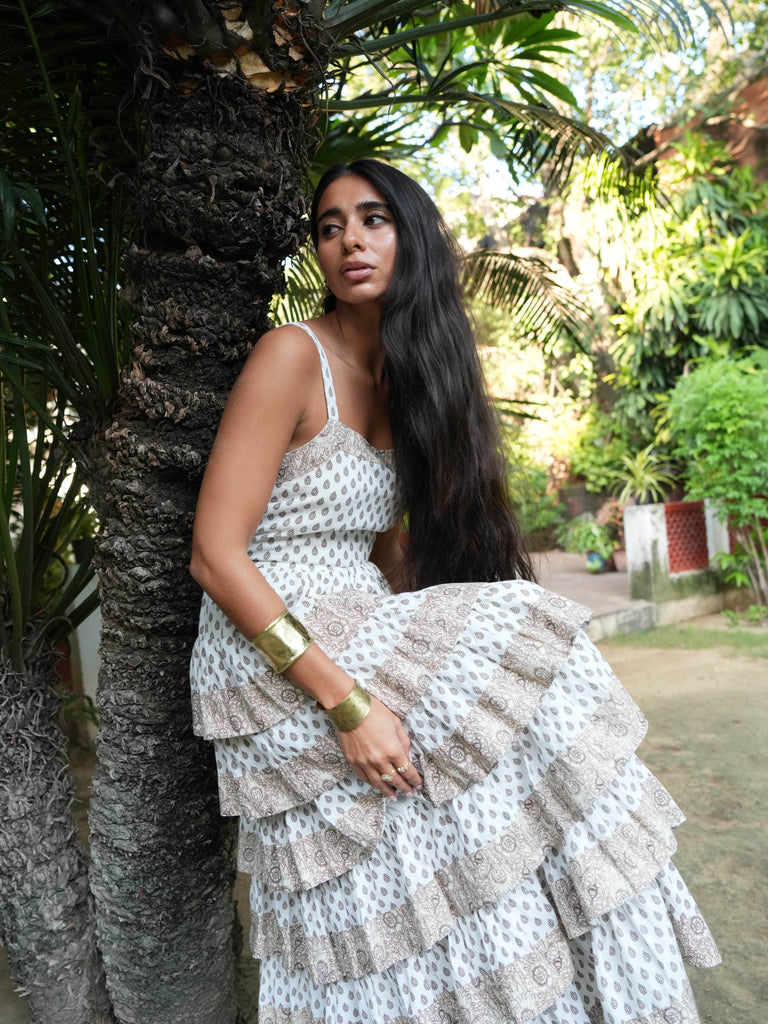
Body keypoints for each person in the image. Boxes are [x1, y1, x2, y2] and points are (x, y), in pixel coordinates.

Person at [189, 159, 719, 1024]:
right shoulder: (292, 355)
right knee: (537, 636)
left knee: (471, 824)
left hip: (357, 620)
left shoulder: (412, 382)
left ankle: (586, 988)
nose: (350, 240)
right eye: (329, 226)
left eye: (373, 219)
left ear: (414, 237)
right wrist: (350, 706)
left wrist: (430, 670)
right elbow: (215, 557)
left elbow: (391, 552)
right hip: (266, 655)